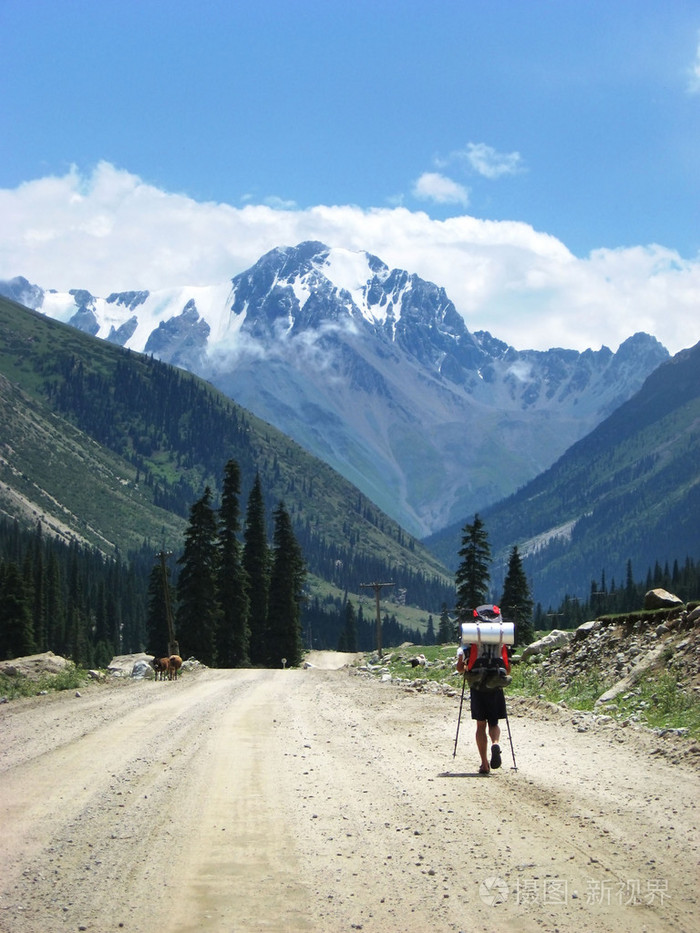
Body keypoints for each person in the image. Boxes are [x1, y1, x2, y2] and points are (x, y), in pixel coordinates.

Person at [456, 614, 509, 774]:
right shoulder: (500, 637)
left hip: (477, 684)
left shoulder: (470, 637)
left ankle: (484, 764)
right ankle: (495, 743)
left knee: (480, 724)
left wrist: (465, 667)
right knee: (494, 722)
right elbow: (507, 668)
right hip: (495, 683)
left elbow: (460, 668)